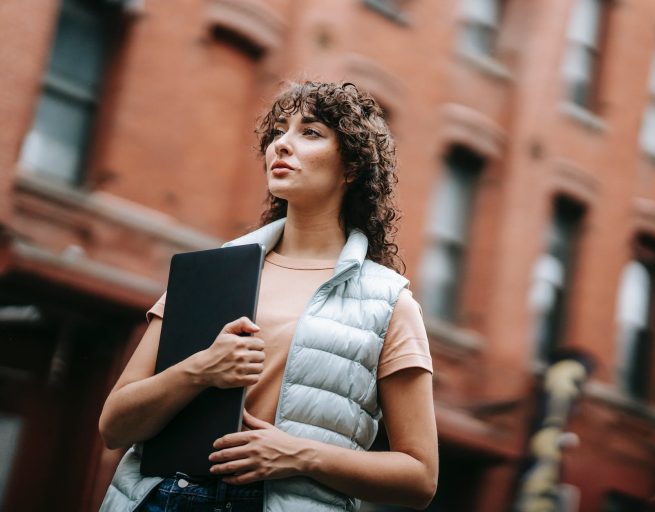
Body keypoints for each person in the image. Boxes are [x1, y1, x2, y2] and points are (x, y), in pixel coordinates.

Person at [98, 81, 438, 511]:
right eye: (278, 131)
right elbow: (114, 426)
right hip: (164, 497)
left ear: (351, 166)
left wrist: (298, 455)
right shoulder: (211, 273)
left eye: (309, 132)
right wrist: (201, 369)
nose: (282, 144)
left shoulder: (388, 302)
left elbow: (420, 477)